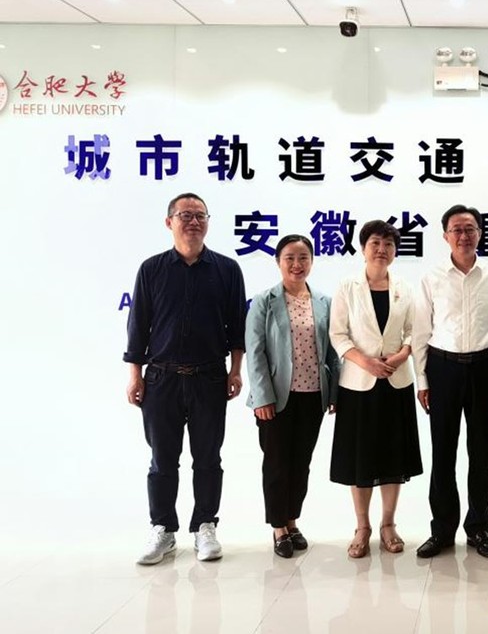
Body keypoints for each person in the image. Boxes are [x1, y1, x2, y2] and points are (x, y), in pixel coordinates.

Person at [125, 193, 246, 565]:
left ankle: (205, 526)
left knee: (208, 458)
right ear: (169, 222)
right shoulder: (151, 269)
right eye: (185, 215)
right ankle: (163, 529)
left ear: (208, 222)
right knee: (162, 459)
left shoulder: (227, 269)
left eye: (200, 215)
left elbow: (236, 327)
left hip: (209, 378)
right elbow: (138, 326)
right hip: (160, 379)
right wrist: (135, 375)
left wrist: (235, 370)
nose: (193, 221)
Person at [412, 205, 488, 559]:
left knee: (481, 453)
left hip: (483, 369)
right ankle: (442, 530)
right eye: (456, 230)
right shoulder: (432, 277)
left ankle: (479, 528)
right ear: (445, 236)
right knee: (443, 453)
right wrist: (422, 379)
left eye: (470, 229)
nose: (464, 236)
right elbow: (421, 331)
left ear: (480, 233)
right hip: (443, 369)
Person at [329, 220, 422, 558]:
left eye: (388, 244)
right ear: (363, 248)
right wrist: (366, 362)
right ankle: (362, 527)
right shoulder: (347, 286)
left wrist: (400, 355)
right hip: (358, 383)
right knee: (360, 458)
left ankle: (388, 524)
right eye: (375, 243)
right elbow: (338, 334)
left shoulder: (405, 288)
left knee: (394, 457)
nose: (382, 250)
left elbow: (414, 331)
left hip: (396, 381)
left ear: (395, 251)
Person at [245, 234, 339, 558]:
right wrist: (262, 398)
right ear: (278, 262)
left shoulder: (324, 302)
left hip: (313, 396)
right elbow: (255, 352)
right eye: (290, 258)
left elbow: (332, 352)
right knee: (276, 464)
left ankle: (292, 520)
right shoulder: (264, 301)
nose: (297, 264)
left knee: (301, 464)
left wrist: (334, 392)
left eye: (303, 258)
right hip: (276, 399)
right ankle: (278, 528)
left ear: (311, 261)